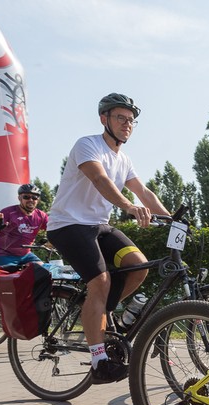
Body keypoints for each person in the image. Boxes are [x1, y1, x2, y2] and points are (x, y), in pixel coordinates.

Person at [46, 93, 168, 384]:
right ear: (104, 119)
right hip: (68, 224)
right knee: (100, 282)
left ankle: (100, 314)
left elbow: (144, 193)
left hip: (97, 225)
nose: (127, 124)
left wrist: (173, 219)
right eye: (120, 118)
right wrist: (127, 206)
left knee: (139, 266)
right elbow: (100, 179)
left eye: (131, 120)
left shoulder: (123, 159)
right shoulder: (88, 145)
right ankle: (99, 359)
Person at [0, 183, 50, 267]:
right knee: (12, 276)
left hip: (26, 255)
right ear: (19, 198)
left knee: (44, 271)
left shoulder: (41, 216)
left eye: (34, 197)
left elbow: (54, 230)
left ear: (38, 200)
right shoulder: (8, 212)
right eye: (26, 197)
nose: (31, 200)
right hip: (3, 253)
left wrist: (52, 242)